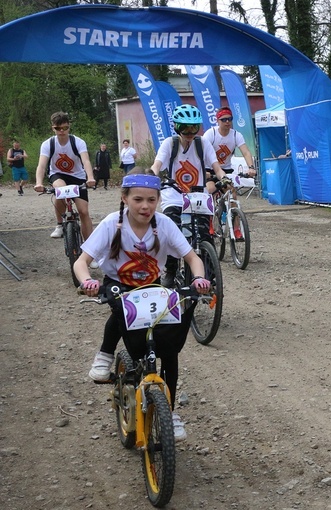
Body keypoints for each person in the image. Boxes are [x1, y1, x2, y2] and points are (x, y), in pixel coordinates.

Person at [74, 172, 211, 442]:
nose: (145, 206)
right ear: (124, 199)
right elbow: (82, 262)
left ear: (159, 200)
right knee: (119, 308)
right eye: (137, 199)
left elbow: (193, 258)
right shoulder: (112, 224)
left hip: (153, 287)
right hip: (118, 285)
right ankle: (104, 355)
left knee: (170, 350)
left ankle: (169, 411)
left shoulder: (164, 225)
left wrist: (199, 278)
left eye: (151, 200)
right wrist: (88, 281)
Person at [150, 104, 227, 287]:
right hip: (173, 195)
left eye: (194, 127)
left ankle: (207, 275)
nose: (190, 132)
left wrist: (224, 178)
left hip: (197, 196)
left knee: (204, 235)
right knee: (170, 232)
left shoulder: (203, 143)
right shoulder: (170, 143)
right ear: (177, 127)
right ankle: (170, 269)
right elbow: (157, 165)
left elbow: (216, 167)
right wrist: (151, 176)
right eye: (185, 127)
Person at [33, 112, 98, 254]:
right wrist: (38, 183)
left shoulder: (78, 142)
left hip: (77, 176)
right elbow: (42, 165)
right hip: (58, 174)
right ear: (53, 128)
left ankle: (90, 251)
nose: (62, 131)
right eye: (58, 128)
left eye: (65, 128)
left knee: (84, 211)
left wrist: (90, 178)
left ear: (69, 127)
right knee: (60, 189)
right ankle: (60, 224)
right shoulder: (48, 144)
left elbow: (85, 161)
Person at [202, 106, 257, 239]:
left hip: (225, 170)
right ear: (218, 121)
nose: (227, 122)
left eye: (230, 119)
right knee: (209, 190)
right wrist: (203, 171)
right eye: (224, 119)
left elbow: (245, 151)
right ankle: (209, 222)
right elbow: (201, 152)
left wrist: (251, 167)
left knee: (232, 196)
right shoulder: (211, 134)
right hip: (210, 169)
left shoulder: (236, 135)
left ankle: (237, 228)